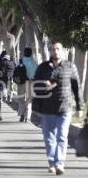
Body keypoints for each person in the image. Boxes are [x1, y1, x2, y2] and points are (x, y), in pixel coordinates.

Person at [33, 42, 84, 175]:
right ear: (50, 51)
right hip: (47, 109)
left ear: (62, 51)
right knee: (49, 138)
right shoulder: (43, 68)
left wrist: (80, 107)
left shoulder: (70, 66)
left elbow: (76, 87)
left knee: (62, 136)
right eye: (53, 49)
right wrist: (45, 86)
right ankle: (52, 162)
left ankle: (59, 163)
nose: (55, 51)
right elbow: (35, 87)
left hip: (65, 107)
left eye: (58, 49)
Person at [17, 47, 38, 122]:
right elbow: (37, 74)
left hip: (21, 82)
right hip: (31, 82)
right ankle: (27, 116)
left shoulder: (20, 61)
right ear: (31, 54)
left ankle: (22, 114)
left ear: (24, 53)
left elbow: (16, 71)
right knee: (29, 99)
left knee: (21, 99)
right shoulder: (34, 63)